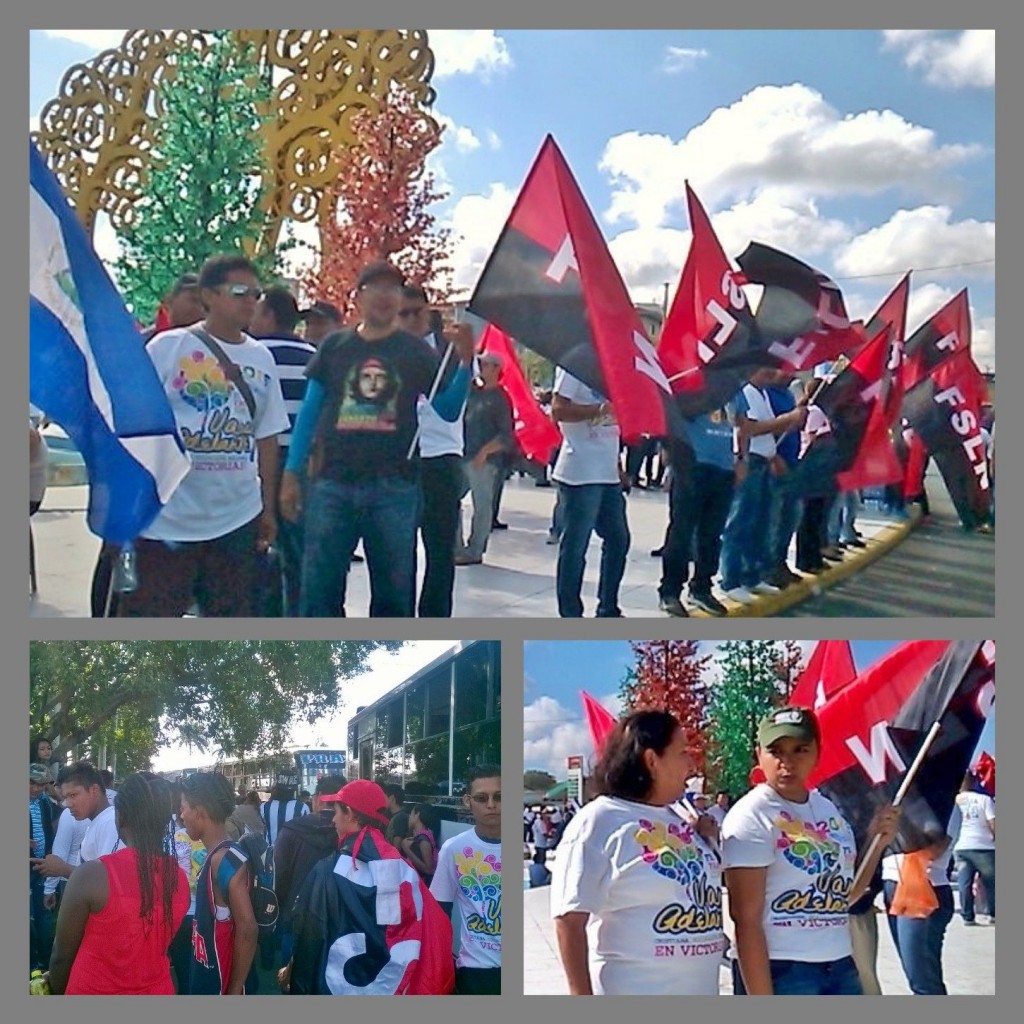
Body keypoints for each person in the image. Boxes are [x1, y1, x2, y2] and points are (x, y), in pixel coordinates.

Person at [280, 261, 475, 617]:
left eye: (393, 289)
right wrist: (292, 472)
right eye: (375, 288)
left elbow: (447, 409)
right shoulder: (335, 346)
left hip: (394, 489)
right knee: (319, 592)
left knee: (393, 596)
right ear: (358, 298)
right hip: (331, 484)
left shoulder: (416, 351)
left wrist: (465, 364)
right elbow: (310, 412)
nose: (385, 297)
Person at [118, 254, 289, 617]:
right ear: (209, 295)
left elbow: (267, 437)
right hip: (168, 516)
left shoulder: (261, 358)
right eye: (240, 292)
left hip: (236, 516)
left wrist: (267, 508)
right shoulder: (167, 348)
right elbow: (137, 426)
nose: (250, 302)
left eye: (256, 294)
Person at [723, 706, 900, 995]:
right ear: (759, 754)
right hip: (784, 971)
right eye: (776, 751)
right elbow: (745, 921)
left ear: (818, 752)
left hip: (841, 965)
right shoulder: (752, 816)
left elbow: (844, 896)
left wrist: (876, 843)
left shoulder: (828, 810)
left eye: (800, 749)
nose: (787, 762)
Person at [550, 710, 724, 995]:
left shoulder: (683, 818)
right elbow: (569, 919)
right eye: (682, 753)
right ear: (652, 760)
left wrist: (711, 840)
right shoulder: (600, 821)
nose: (691, 765)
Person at [283, 779, 455, 994]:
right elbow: (433, 926)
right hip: (388, 986)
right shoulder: (403, 869)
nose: (333, 819)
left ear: (350, 813)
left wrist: (294, 972)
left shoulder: (327, 868)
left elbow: (309, 933)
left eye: (337, 811)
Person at [47, 773, 190, 994]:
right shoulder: (178, 879)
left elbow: (61, 956)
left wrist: (55, 990)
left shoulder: (92, 875)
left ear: (120, 817)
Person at [399, 287, 469, 616]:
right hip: (399, 459)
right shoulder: (384, 351)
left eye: (417, 312)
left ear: (428, 312)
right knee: (397, 554)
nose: (411, 320)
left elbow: (453, 407)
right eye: (403, 313)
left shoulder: (449, 352)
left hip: (441, 457)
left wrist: (467, 363)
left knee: (440, 553)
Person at [250, 286, 318, 615]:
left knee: (256, 547)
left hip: (259, 463)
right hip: (301, 464)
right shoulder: (314, 357)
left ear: (270, 316)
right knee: (297, 551)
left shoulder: (252, 354)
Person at [718, 368, 807, 604]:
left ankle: (751, 575)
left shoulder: (762, 394)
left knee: (760, 522)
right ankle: (730, 579)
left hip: (764, 462)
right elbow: (749, 428)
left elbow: (768, 428)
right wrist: (787, 419)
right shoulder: (745, 392)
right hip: (752, 462)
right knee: (740, 522)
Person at [550, 368, 630, 617]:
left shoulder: (613, 364)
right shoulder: (574, 365)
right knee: (575, 546)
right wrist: (598, 410)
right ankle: (571, 613)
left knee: (619, 539)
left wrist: (618, 465)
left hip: (608, 473)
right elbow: (558, 410)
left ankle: (608, 607)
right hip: (581, 471)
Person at [179, 771, 259, 994]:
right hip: (208, 976)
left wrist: (234, 989)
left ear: (200, 812)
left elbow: (248, 929)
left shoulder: (224, 859)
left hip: (220, 984)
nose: (181, 815)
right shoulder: (216, 855)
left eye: (183, 807)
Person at [430, 764, 503, 994]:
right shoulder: (455, 850)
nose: (491, 805)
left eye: (499, 796)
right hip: (475, 971)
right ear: (467, 801)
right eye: (482, 798)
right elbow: (439, 911)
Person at [657, 405, 734, 617]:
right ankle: (670, 591)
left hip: (724, 469)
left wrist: (741, 459)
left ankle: (701, 587)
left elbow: (739, 425)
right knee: (681, 531)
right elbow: (667, 415)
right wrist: (667, 448)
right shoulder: (691, 387)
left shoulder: (734, 390)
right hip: (692, 465)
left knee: (712, 535)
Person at [880, 805, 960, 994]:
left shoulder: (946, 802)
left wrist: (901, 822)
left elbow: (937, 848)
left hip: (925, 889)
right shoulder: (897, 800)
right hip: (893, 885)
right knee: (913, 972)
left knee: (923, 979)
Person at [272, 774, 347, 972]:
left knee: (293, 980)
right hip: (338, 919)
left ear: (318, 797)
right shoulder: (350, 832)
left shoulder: (291, 830)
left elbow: (278, 877)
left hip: (296, 917)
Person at [456, 352, 515, 566]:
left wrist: (485, 452)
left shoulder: (500, 398)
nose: (482, 367)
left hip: (484, 460)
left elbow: (506, 435)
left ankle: (475, 549)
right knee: (452, 500)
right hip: (463, 455)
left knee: (482, 507)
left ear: (497, 369)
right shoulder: (473, 392)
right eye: (480, 363)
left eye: (486, 364)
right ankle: (456, 547)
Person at [953, 771, 995, 925]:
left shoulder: (955, 800)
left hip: (962, 847)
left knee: (965, 882)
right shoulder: (985, 800)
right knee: (991, 883)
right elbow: (993, 823)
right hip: (984, 846)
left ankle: (967, 916)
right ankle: (993, 914)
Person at [30, 763, 57, 971]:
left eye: (40, 784)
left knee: (44, 914)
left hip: (42, 867)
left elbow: (51, 830)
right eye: (31, 782)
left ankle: (46, 962)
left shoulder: (45, 803)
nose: (36, 788)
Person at [400, 802, 442, 885]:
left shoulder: (424, 839)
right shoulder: (420, 836)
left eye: (411, 814)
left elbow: (428, 869)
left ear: (417, 815)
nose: (409, 817)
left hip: (423, 885)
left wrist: (406, 849)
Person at [262, 779, 309, 847]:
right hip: (294, 853)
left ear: (277, 789)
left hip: (271, 853)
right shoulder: (303, 808)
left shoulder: (264, 807)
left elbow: (262, 829)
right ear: (294, 790)